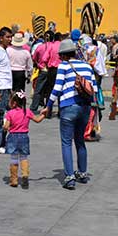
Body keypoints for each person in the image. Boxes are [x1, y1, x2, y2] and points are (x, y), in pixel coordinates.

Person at [43, 39, 96, 190]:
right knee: (80, 141)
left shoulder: (64, 66)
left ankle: (69, 177)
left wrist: (48, 106)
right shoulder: (87, 66)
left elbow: (57, 88)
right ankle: (83, 173)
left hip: (68, 107)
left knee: (66, 142)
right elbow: (94, 88)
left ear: (64, 55)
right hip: (85, 108)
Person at [4, 90, 45, 189]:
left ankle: (14, 180)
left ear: (14, 103)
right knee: (24, 158)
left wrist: (6, 127)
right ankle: (25, 175)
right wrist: (44, 114)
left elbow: (6, 127)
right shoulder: (27, 112)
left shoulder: (10, 113)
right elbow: (38, 120)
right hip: (24, 137)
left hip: (13, 137)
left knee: (14, 158)